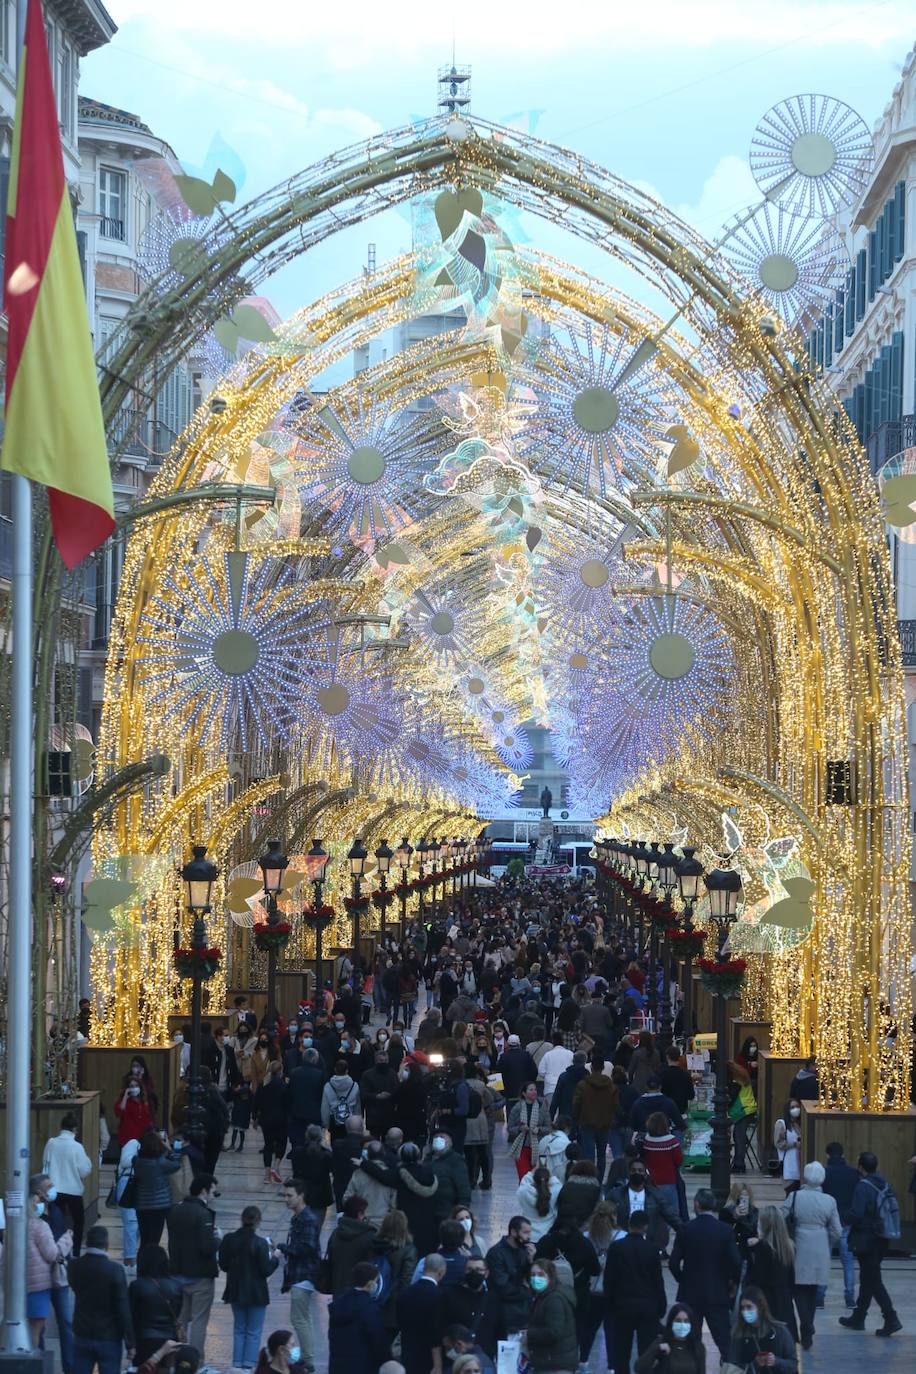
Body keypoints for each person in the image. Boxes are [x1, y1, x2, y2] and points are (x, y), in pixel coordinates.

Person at [668, 1187, 740, 1360]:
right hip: (718, 1293)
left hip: (690, 1295)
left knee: (691, 1343)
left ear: (697, 1204)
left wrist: (683, 1279)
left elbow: (673, 1263)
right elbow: (736, 1262)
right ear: (713, 1206)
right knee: (725, 1342)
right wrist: (731, 1283)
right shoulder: (724, 1230)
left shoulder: (686, 1229)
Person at [839, 1150, 903, 1337]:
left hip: (866, 1239)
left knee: (873, 1280)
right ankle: (858, 1317)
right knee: (868, 1278)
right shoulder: (883, 1182)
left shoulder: (863, 1186)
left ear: (860, 1167)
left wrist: (844, 1216)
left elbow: (857, 1214)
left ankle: (891, 1318)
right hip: (882, 1237)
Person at [782, 1160, 840, 1348]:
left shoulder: (795, 1197)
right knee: (814, 1290)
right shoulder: (830, 1200)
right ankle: (809, 1325)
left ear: (805, 1176)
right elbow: (837, 1231)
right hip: (820, 1244)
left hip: (799, 1244)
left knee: (799, 1289)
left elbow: (782, 1219)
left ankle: (805, 1325)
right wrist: (827, 1242)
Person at [217, 1204, 279, 1371]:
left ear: (242, 1219)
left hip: (235, 1290)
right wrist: (275, 1258)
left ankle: (236, 1364)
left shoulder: (229, 1240)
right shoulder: (260, 1243)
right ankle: (248, 1365)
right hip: (256, 1293)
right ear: (258, 1221)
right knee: (253, 1331)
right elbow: (266, 1270)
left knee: (239, 1329)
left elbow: (223, 1265)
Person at [603, 1210, 666, 1374]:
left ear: (629, 1225)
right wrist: (661, 1305)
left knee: (621, 1353)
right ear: (645, 1227)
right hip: (647, 1307)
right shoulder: (652, 1249)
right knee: (646, 1353)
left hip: (623, 1307)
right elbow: (658, 1281)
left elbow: (609, 1280)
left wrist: (609, 1306)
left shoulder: (617, 1247)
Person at [167, 1173, 221, 1361]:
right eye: (214, 1192)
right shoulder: (203, 1214)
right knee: (199, 1321)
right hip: (200, 1277)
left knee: (181, 1321)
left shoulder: (174, 1210)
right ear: (204, 1191)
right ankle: (195, 1361)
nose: (215, 1196)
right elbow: (207, 1247)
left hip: (177, 1274)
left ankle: (174, 1359)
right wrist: (217, 1239)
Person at [69, 1224, 135, 1374]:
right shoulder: (115, 1270)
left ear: (87, 1243)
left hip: (82, 1332)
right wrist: (130, 1342)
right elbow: (123, 1308)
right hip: (109, 1336)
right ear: (107, 1245)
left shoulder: (75, 1266)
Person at [276, 1177, 321, 1370]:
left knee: (299, 1319)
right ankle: (307, 1356)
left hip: (303, 1274)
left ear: (301, 1196)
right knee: (304, 1318)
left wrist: (283, 1248)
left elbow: (308, 1247)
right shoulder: (299, 1217)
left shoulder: (307, 1218)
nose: (286, 1199)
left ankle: (308, 1360)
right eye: (284, 1195)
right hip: (300, 1274)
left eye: (289, 1195)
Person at [42, 1112, 93, 1256]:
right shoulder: (77, 1146)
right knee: (78, 1222)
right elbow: (84, 1171)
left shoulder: (51, 1143)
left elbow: (45, 1164)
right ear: (75, 1130)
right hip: (73, 1191)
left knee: (56, 1221)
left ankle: (57, 1249)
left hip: (54, 1189)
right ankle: (76, 1251)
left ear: (61, 1127)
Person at [328, 1264, 392, 1374]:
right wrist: (388, 1360)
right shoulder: (369, 1308)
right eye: (376, 1281)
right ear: (370, 1283)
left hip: (337, 1366)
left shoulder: (338, 1304)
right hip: (363, 1366)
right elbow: (378, 1340)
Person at [606, 1157, 680, 1251]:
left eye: (640, 1170)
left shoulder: (655, 1195)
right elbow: (603, 1217)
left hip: (648, 1244)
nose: (637, 1173)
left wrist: (686, 1231)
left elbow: (671, 1216)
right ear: (628, 1173)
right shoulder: (616, 1195)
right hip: (623, 1243)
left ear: (645, 1174)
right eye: (633, 1170)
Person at [745, 1205, 797, 1338]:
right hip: (784, 1300)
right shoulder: (789, 1246)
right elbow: (791, 1278)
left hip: (767, 1301)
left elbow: (757, 1278)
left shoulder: (764, 1248)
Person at [128, 1243, 183, 1364]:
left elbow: (131, 1315)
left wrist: (130, 1343)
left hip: (143, 1339)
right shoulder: (177, 1286)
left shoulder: (137, 1285)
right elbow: (177, 1311)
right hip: (169, 1339)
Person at [26, 1185, 65, 1351]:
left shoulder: (14, 1226)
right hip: (38, 1284)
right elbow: (52, 1254)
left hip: (19, 1285)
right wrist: (66, 1240)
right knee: (35, 1329)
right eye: (37, 1202)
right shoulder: (39, 1225)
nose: (40, 1204)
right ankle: (32, 1363)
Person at [438, 1256, 500, 1361]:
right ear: (464, 1271)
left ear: (487, 1273)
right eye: (469, 1269)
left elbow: (500, 1332)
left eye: (478, 1270)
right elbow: (440, 1329)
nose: (473, 1273)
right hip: (455, 1361)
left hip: (484, 1360)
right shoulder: (450, 1295)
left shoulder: (493, 1299)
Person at [821, 1141, 860, 1308]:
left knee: (824, 1260)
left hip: (828, 1221)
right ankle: (849, 1297)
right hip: (846, 1221)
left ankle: (819, 1297)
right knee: (848, 1261)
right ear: (843, 1154)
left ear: (828, 1155)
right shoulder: (853, 1173)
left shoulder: (824, 1173)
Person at [525, 1259, 578, 1374]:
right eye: (533, 1275)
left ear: (550, 1276)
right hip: (552, 1361)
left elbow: (554, 1332)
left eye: (540, 1274)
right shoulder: (543, 1296)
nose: (535, 1278)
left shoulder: (554, 1299)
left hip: (555, 1364)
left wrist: (528, 1334)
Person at [727, 1287, 797, 1374]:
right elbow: (732, 1366)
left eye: (749, 1307)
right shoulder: (738, 1333)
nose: (745, 1311)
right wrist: (755, 1364)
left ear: (760, 1307)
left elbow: (793, 1365)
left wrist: (776, 1361)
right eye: (742, 1308)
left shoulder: (779, 1331)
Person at [371, 1209, 418, 1337]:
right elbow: (406, 1280)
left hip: (374, 1301)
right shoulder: (408, 1250)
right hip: (394, 1305)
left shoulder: (373, 1246)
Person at [396, 1253, 446, 1374]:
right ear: (441, 1272)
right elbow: (437, 1331)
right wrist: (438, 1363)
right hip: (429, 1357)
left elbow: (399, 1321)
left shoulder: (404, 1293)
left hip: (407, 1352)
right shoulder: (440, 1296)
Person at [485, 1216, 535, 1335]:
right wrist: (526, 1291)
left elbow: (530, 1280)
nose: (528, 1237)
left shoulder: (524, 1251)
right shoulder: (496, 1253)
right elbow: (502, 1287)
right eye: (525, 1232)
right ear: (513, 1232)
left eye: (529, 1232)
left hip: (523, 1310)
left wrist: (531, 1261)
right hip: (503, 1313)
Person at [572, 1055, 618, 1184]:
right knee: (602, 1155)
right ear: (603, 1068)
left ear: (591, 1067)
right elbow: (615, 1105)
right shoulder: (610, 1086)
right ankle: (599, 1180)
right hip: (604, 1124)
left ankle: (589, 1180)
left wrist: (576, 1119)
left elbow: (576, 1104)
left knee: (589, 1154)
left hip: (586, 1122)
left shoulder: (583, 1084)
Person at [133, 1130, 182, 1247]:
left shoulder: (137, 1161)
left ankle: (143, 1262)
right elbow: (176, 1164)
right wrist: (169, 1149)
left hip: (141, 1204)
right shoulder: (161, 1163)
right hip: (159, 1206)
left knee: (144, 1239)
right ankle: (151, 1262)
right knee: (154, 1240)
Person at [634, 1302, 706, 1374]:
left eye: (686, 1321)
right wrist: (656, 1349)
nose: (682, 1324)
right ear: (671, 1322)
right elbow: (639, 1368)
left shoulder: (698, 1346)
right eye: (678, 1320)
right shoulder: (662, 1342)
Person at [326, 1195, 377, 1295]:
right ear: (360, 1214)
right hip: (360, 1292)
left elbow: (331, 1259)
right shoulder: (369, 1236)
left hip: (338, 1289)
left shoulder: (336, 1233)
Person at [288, 1124, 334, 1232]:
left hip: (303, 1193)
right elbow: (332, 1170)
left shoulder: (297, 1152)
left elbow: (295, 1172)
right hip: (322, 1195)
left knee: (303, 1227)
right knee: (317, 1228)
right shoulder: (326, 1154)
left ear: (306, 1136)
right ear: (320, 1137)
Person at [430, 1130, 472, 1229]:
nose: (438, 1139)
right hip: (430, 1214)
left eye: (442, 1136)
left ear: (450, 1142)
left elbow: (464, 1188)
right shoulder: (427, 1160)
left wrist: (462, 1211)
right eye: (436, 1137)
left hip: (447, 1214)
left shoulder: (456, 1161)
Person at [257, 1058, 288, 1185]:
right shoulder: (284, 1086)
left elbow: (257, 1102)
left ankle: (266, 1175)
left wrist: (254, 1117)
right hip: (281, 1120)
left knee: (268, 1145)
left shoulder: (264, 1085)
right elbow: (288, 1103)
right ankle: (276, 1166)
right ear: (280, 1071)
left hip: (266, 1120)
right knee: (282, 1144)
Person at [287, 1049, 326, 1148]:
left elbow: (289, 1093)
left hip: (297, 1113)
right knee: (313, 1142)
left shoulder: (294, 1073)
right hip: (314, 1114)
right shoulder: (320, 1075)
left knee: (298, 1141)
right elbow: (322, 1095)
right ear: (315, 1059)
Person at [507, 1083, 545, 1181]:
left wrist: (539, 1129)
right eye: (531, 1090)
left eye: (535, 1090)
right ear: (524, 1093)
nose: (534, 1092)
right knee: (524, 1179)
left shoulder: (542, 1107)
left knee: (538, 1180)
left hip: (538, 1148)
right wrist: (520, 1129)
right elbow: (510, 1128)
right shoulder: (517, 1108)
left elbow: (548, 1128)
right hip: (522, 1148)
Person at [515, 1165, 561, 1242]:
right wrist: (549, 1174)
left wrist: (532, 1172)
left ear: (534, 1179)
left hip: (529, 1237)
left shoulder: (524, 1192)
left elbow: (524, 1182)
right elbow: (558, 1184)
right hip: (548, 1237)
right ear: (548, 1179)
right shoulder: (556, 1191)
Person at [321, 1058, 361, 1136]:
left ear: (335, 1070)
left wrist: (325, 1124)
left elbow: (325, 1107)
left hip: (333, 1120)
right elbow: (357, 1106)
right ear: (347, 1071)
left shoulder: (328, 1086)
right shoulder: (354, 1085)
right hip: (351, 1120)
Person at [114, 1076, 154, 1148]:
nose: (134, 1088)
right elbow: (119, 1112)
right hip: (127, 1138)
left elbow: (148, 1118)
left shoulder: (143, 1102)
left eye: (136, 1086)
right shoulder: (123, 1101)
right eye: (131, 1086)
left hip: (142, 1138)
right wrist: (125, 1096)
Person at [659, 1046, 695, 1121]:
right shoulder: (686, 1075)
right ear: (679, 1057)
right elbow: (691, 1095)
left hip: (666, 1110)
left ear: (667, 1057)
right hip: (681, 1110)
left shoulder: (662, 1074)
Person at [773, 1100, 802, 1191]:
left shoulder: (800, 1124)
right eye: (792, 1107)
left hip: (800, 1161)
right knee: (790, 1190)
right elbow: (778, 1143)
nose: (796, 1109)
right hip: (788, 1163)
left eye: (797, 1107)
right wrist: (793, 1144)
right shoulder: (781, 1124)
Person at [536, 1032, 573, 1104]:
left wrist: (547, 1076)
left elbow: (541, 1071)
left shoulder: (548, 1055)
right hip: (566, 1088)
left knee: (551, 1112)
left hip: (550, 1088)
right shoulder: (570, 1054)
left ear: (552, 1041)